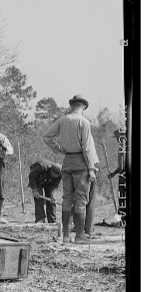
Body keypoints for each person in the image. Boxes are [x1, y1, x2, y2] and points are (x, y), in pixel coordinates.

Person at [43, 94, 100, 242]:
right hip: (81, 163)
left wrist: (59, 149)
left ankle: (66, 236)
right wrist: (92, 169)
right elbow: (87, 148)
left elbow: (47, 137)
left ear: (72, 106)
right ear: (83, 108)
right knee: (81, 199)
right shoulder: (84, 122)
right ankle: (80, 235)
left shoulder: (62, 120)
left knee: (67, 198)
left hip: (67, 162)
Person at [27, 159, 62, 223]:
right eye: (53, 174)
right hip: (37, 179)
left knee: (51, 200)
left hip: (49, 182)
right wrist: (34, 190)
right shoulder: (42, 167)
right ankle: (40, 218)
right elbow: (31, 175)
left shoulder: (60, 175)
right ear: (51, 169)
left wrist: (53, 194)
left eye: (56, 175)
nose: (54, 176)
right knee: (38, 198)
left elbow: (55, 185)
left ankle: (52, 219)